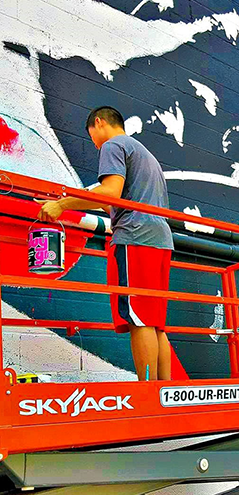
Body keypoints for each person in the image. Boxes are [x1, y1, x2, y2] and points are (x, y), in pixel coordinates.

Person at [38, 106, 174, 381]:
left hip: (135, 237)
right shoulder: (146, 155)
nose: (94, 143)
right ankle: (162, 394)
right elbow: (120, 199)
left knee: (139, 319)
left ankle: (148, 394)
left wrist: (62, 205)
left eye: (92, 136)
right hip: (161, 240)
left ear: (99, 123)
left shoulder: (113, 145)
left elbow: (110, 193)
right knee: (154, 322)